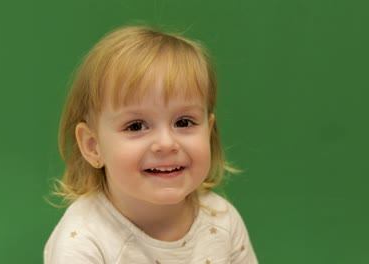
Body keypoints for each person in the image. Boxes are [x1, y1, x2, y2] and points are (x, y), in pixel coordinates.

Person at [44, 25, 258, 264]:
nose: (166, 144)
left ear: (208, 132)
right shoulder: (83, 240)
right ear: (93, 146)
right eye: (136, 126)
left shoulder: (222, 221)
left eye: (184, 122)